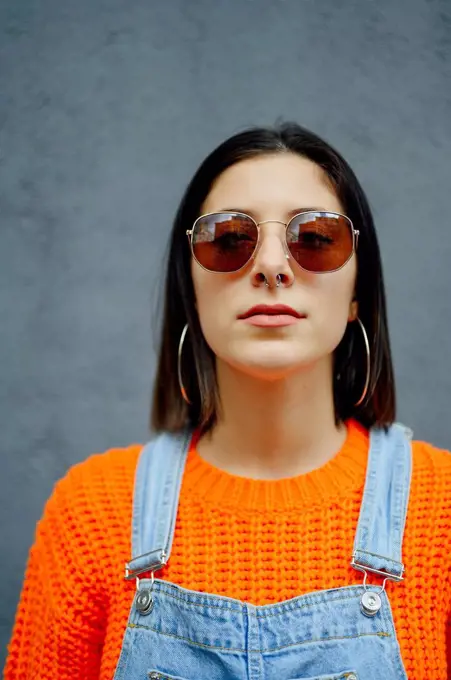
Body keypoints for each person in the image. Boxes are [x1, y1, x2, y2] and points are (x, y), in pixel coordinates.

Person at [4, 123, 451, 680]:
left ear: (358, 289)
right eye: (229, 239)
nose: (271, 266)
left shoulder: (442, 511)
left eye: (314, 238)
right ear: (189, 287)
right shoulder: (92, 515)